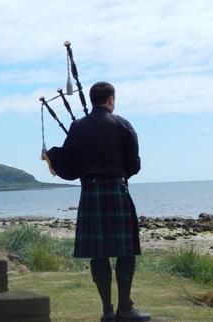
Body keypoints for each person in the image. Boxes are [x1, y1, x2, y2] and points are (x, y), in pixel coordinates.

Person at [44, 82, 151, 322]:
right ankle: (125, 309)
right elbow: (134, 165)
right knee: (126, 253)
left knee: (98, 254)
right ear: (111, 100)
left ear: (92, 100)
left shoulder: (78, 127)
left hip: (90, 192)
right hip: (116, 189)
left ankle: (107, 312)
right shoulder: (123, 125)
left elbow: (70, 162)